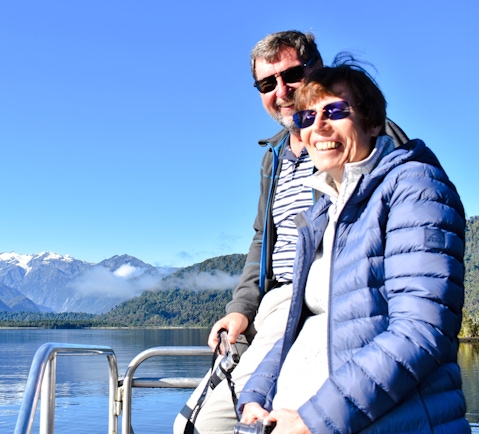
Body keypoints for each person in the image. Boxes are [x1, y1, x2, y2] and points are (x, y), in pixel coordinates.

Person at [174, 31, 408, 434]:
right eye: (267, 84)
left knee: (223, 428)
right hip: (274, 305)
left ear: (317, 69)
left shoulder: (365, 134)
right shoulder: (275, 157)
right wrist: (240, 310)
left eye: (292, 75)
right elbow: (262, 242)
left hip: (326, 303)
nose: (281, 91)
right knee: (191, 424)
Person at [237, 57, 469, 433]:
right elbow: (299, 327)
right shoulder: (324, 214)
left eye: (335, 110)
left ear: (374, 122)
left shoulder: (414, 187)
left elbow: (421, 332)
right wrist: (255, 398)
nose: (319, 126)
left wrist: (314, 419)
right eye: (306, 118)